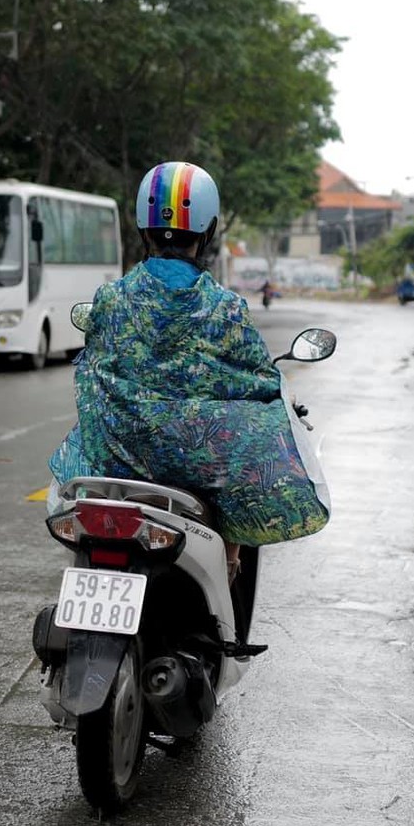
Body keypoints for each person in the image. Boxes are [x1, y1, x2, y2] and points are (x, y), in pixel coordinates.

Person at [49, 161, 329, 578]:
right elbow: (257, 382)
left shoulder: (110, 299)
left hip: (117, 457)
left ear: (143, 228)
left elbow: (95, 366)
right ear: (208, 230)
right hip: (198, 469)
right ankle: (230, 563)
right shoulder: (226, 308)